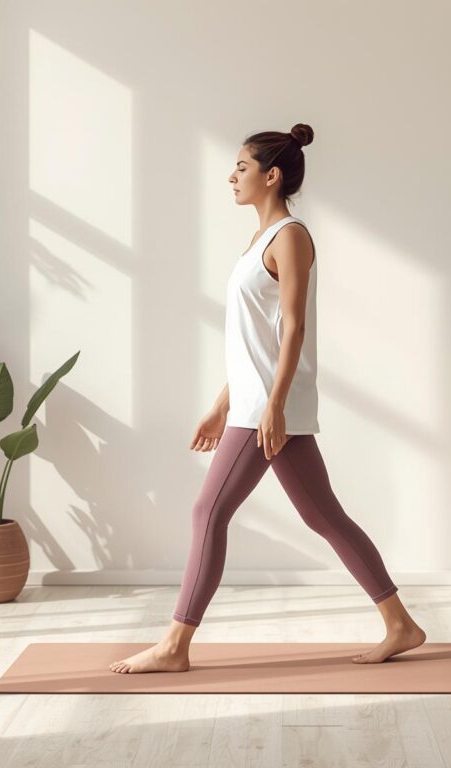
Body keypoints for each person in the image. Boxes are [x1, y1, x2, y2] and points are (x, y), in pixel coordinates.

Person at [110, 124, 425, 674]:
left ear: (271, 175)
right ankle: (401, 624)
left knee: (209, 512)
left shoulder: (291, 237)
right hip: (259, 403)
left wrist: (273, 405)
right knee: (325, 517)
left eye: (241, 167)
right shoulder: (258, 242)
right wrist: (222, 403)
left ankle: (174, 646)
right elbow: (255, 343)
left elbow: (295, 329)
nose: (231, 176)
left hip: (272, 408)